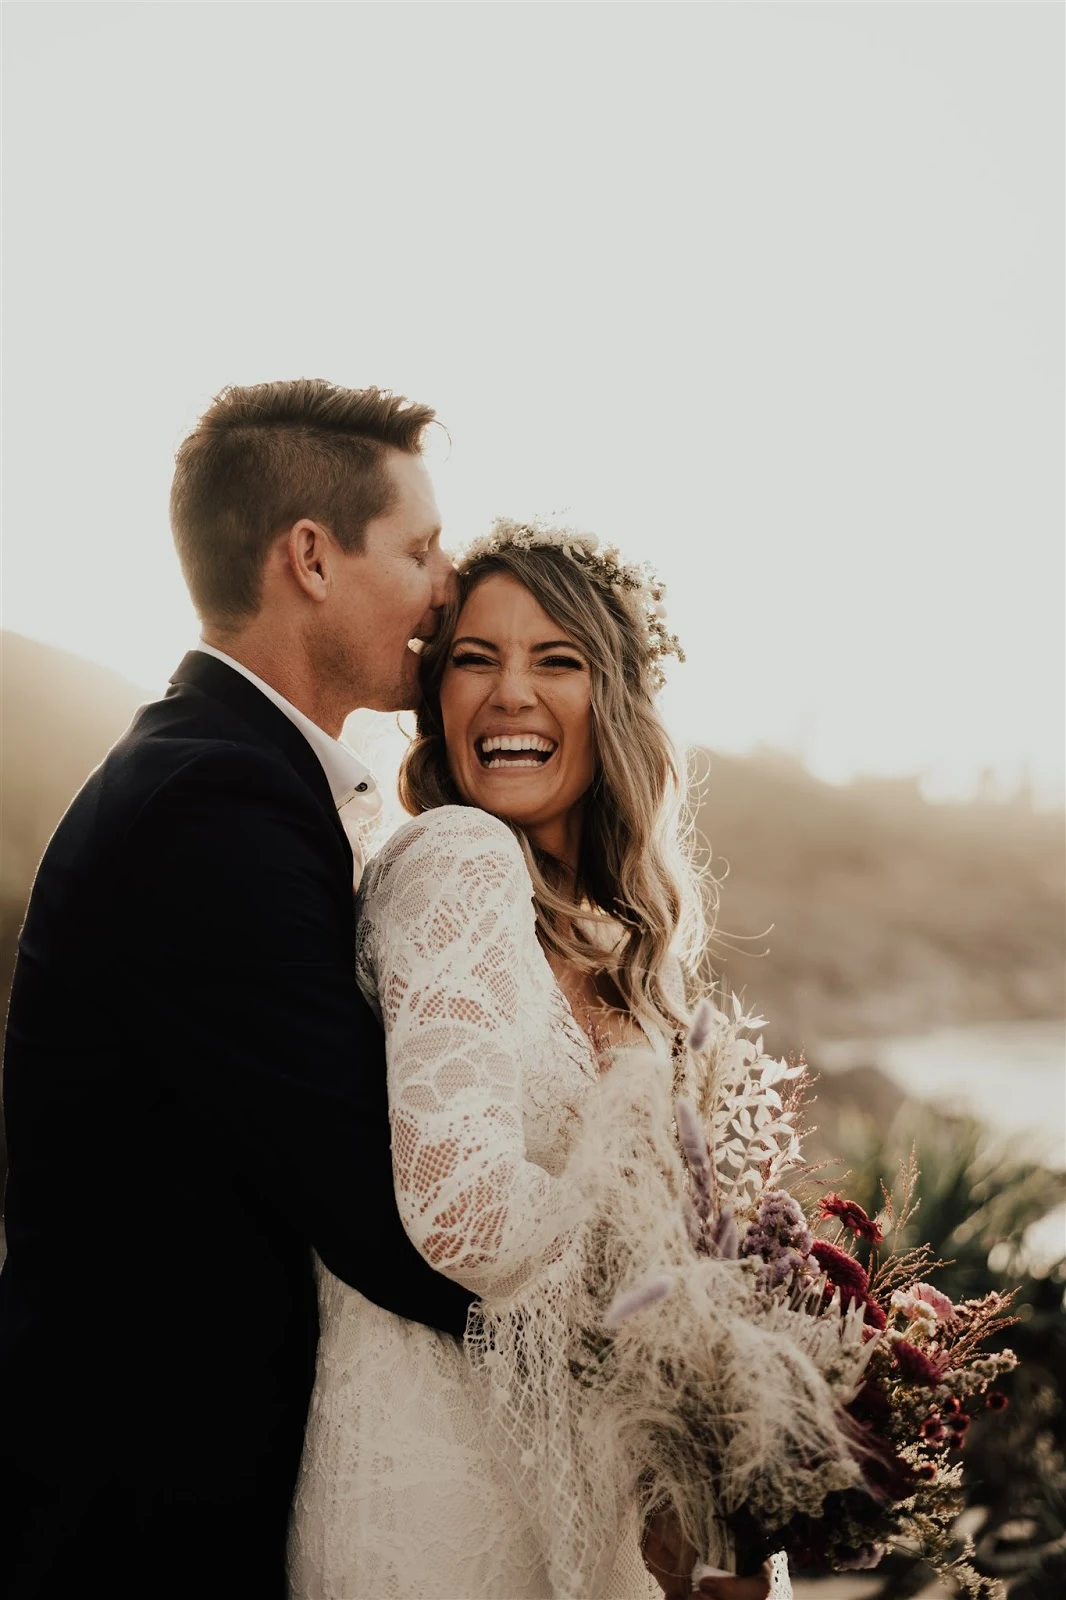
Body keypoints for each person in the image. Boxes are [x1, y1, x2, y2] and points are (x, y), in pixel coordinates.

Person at [0, 380, 468, 1599]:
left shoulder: (235, 777)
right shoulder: (211, 806)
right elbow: (379, 1204)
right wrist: (670, 1374)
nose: (446, 585)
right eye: (418, 548)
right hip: (140, 1520)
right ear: (309, 557)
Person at [288, 519, 787, 1599]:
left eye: (555, 660)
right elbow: (458, 1206)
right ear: (439, 702)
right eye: (475, 659)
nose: (510, 692)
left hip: (579, 1499)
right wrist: (694, 1325)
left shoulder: (627, 951)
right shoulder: (455, 859)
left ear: (613, 702)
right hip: (436, 1507)